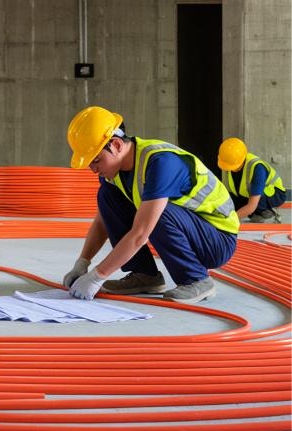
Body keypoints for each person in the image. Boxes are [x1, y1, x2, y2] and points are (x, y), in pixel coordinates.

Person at [62, 106, 239, 304]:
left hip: (216, 239)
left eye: (96, 160)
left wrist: (97, 276)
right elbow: (102, 222)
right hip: (195, 230)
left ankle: (196, 279)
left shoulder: (161, 163)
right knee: (106, 196)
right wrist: (82, 263)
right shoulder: (114, 174)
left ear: (117, 145)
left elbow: (141, 233)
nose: (93, 170)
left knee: (158, 213)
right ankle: (144, 275)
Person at [217, 137, 285, 223]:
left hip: (274, 194)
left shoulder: (258, 168)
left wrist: (231, 219)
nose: (229, 169)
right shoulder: (231, 165)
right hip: (251, 194)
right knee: (230, 202)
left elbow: (252, 205)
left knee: (256, 203)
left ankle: (267, 211)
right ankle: (255, 213)